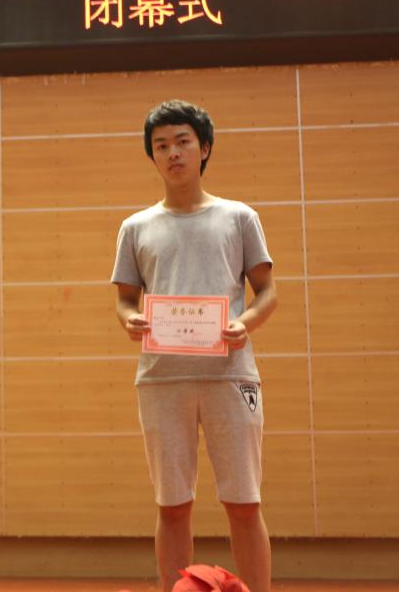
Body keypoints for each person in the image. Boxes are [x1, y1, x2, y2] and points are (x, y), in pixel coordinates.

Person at [111, 100, 277, 592]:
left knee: (244, 503)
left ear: (204, 148)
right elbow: (124, 299)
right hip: (162, 378)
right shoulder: (136, 227)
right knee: (172, 505)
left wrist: (245, 322)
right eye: (161, 145)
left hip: (231, 375)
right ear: (153, 156)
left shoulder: (239, 217)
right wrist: (130, 319)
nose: (173, 153)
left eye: (183, 141)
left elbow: (267, 291)